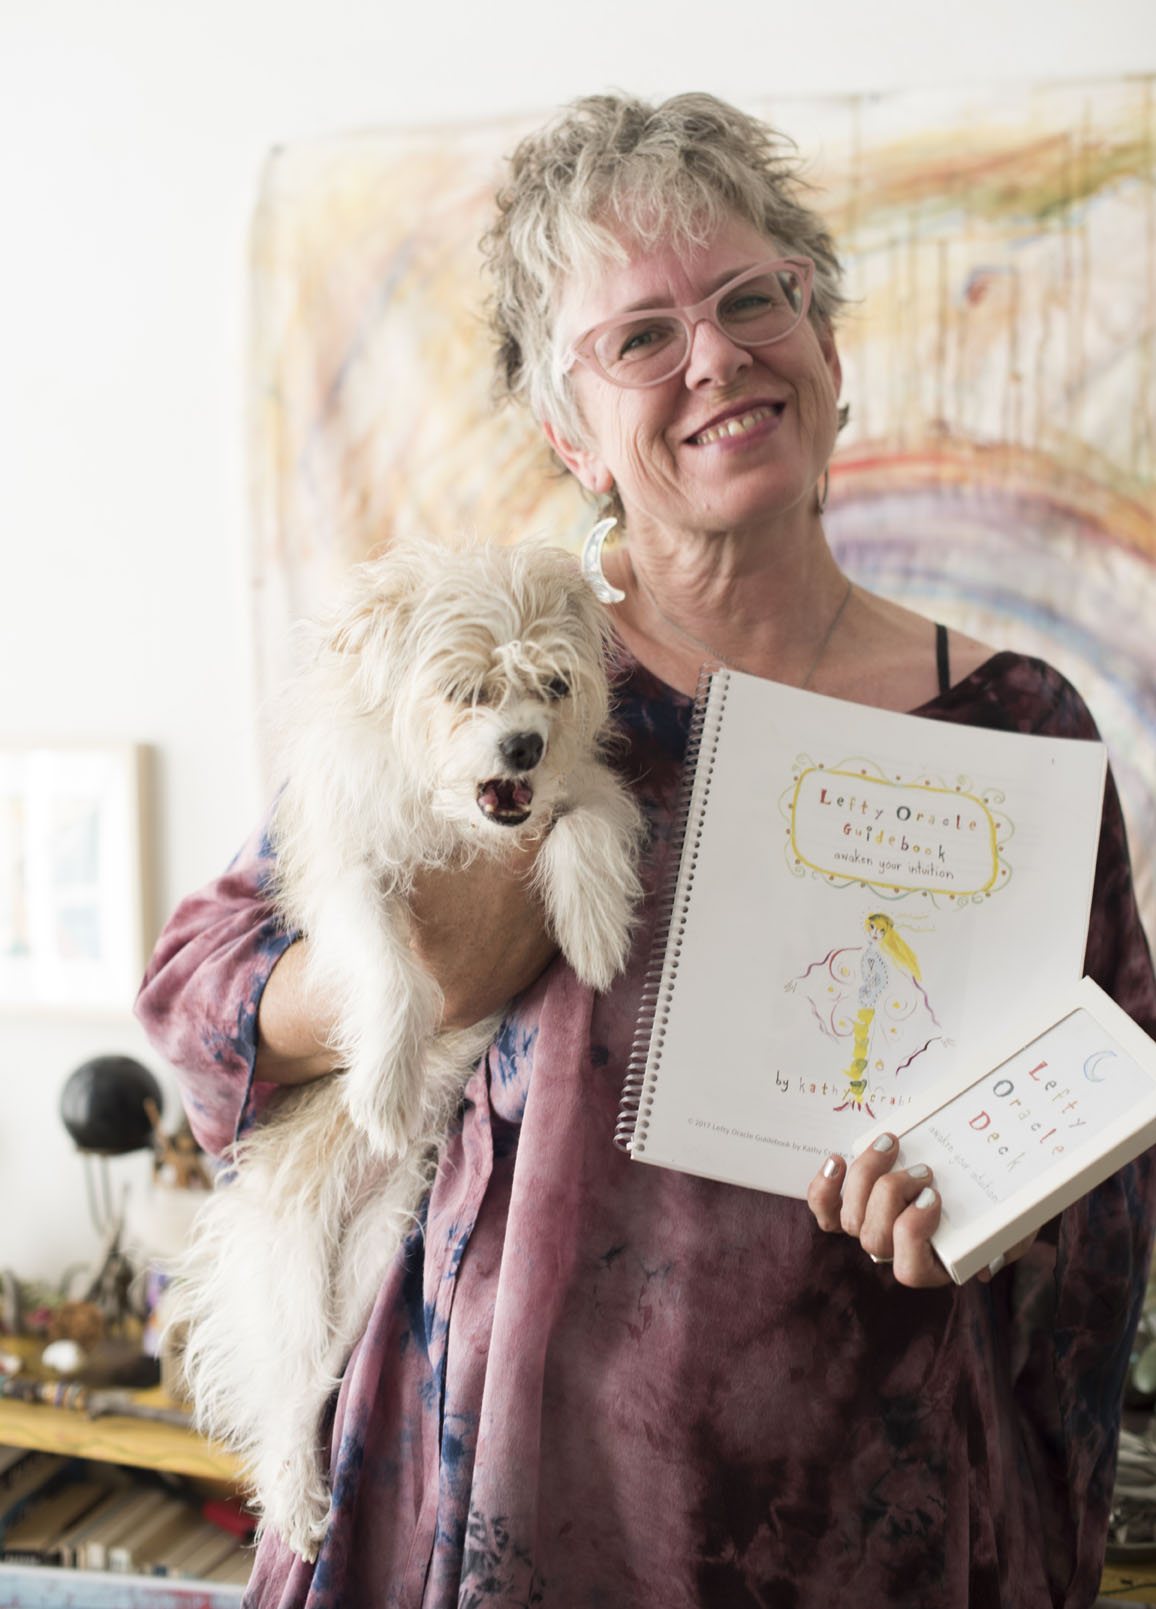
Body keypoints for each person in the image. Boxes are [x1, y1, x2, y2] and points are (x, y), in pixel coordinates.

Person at [137, 92, 1156, 1607]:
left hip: (870, 1512)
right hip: (491, 1485)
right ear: (570, 434)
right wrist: (412, 972)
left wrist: (992, 1205)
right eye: (641, 337)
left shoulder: (1020, 731)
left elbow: (1106, 1148)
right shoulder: (501, 684)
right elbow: (197, 988)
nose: (717, 358)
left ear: (827, 347)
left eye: (754, 300)